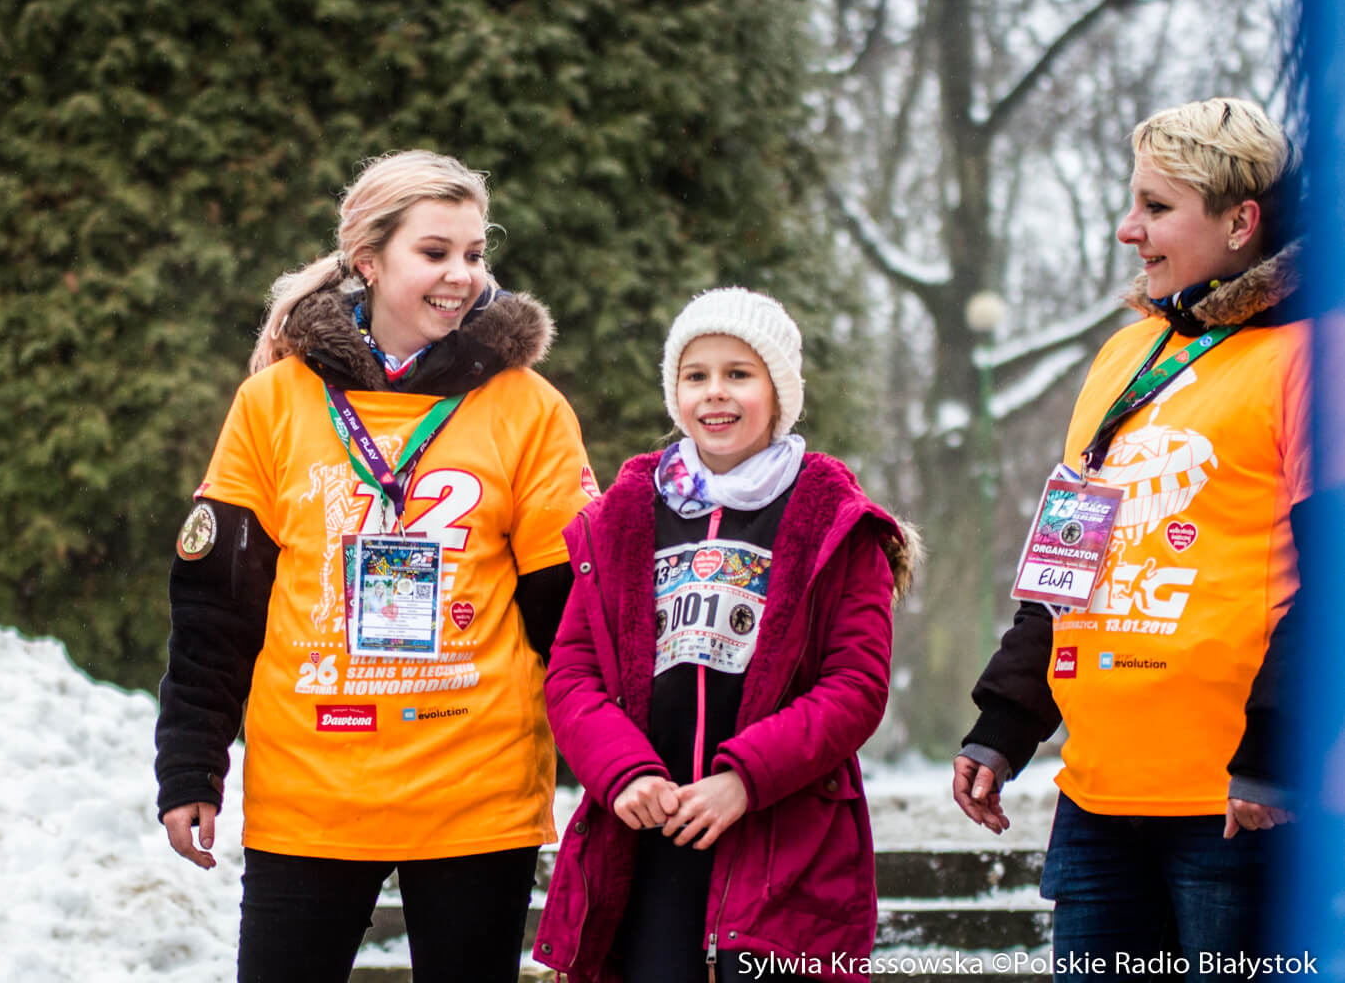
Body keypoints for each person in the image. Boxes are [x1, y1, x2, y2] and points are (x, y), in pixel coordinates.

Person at [153, 150, 596, 983]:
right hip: (311, 797)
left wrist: (619, 761)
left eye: (474, 253)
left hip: (476, 795)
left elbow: (571, 616)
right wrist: (189, 765)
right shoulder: (274, 402)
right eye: (435, 252)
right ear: (368, 260)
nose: (461, 275)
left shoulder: (529, 407)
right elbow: (216, 610)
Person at [952, 97, 1305, 976]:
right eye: (1131, 201)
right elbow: (1064, 558)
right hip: (1099, 801)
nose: (1127, 229)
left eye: (1156, 207)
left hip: (1243, 805)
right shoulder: (1125, 358)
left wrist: (1278, 751)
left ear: (1240, 223)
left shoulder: (1311, 356)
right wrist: (1005, 723)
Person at [533, 288, 915, 983]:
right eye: (696, 375)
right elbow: (572, 675)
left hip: (781, 841)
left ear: (780, 391)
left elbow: (855, 686)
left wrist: (744, 779)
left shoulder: (835, 520)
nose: (715, 392)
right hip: (648, 838)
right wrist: (624, 772)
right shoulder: (622, 515)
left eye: (739, 374)